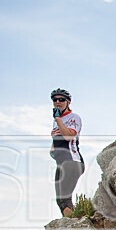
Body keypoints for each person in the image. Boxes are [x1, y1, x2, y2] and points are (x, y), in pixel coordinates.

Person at [50, 89, 84, 217]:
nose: (58, 102)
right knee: (61, 200)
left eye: (61, 99)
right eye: (55, 100)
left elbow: (69, 136)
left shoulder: (73, 117)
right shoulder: (56, 120)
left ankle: (73, 227)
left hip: (72, 162)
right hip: (62, 162)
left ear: (68, 102)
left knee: (64, 199)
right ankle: (74, 224)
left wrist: (58, 119)